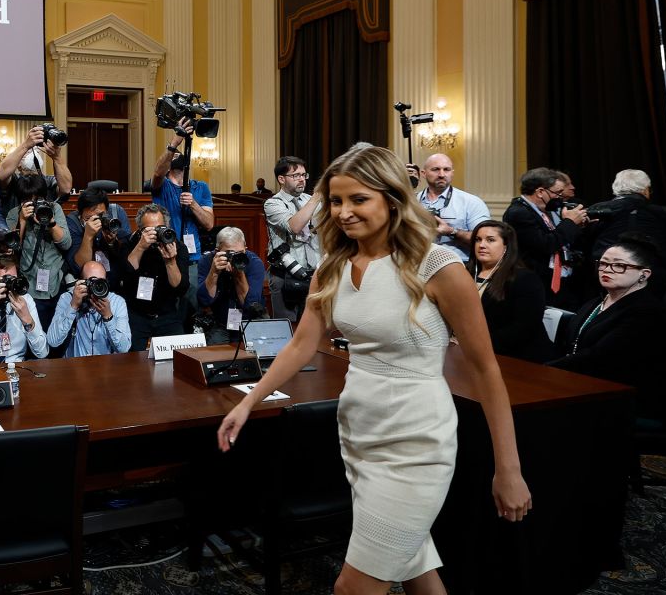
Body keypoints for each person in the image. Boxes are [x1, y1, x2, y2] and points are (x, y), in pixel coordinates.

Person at [217, 145, 530, 595]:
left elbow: (486, 371)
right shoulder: (332, 266)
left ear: (392, 198)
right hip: (359, 433)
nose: (343, 212)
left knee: (354, 587)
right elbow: (303, 344)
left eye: (358, 199)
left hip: (417, 440)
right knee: (418, 571)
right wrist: (249, 400)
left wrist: (509, 468)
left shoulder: (439, 266)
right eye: (336, 201)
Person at [549, 236, 666, 425]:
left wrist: (549, 369)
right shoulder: (594, 303)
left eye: (619, 266)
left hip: (633, 402)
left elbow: (601, 356)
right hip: (588, 389)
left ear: (644, 273)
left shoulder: (649, 312)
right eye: (603, 264)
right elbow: (571, 344)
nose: (607, 270)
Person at [151, 120, 214, 314]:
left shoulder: (200, 187)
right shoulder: (162, 185)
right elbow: (157, 173)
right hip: (165, 251)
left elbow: (209, 224)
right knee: (166, 304)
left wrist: (193, 204)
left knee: (190, 306)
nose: (177, 156)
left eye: (179, 154)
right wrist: (174, 143)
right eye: (173, 156)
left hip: (192, 258)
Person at [503, 167, 589, 309]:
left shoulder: (542, 210)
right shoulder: (519, 213)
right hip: (536, 282)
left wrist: (576, 226)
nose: (561, 197)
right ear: (540, 192)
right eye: (558, 193)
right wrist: (570, 223)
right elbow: (546, 244)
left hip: (556, 279)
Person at [469, 220, 552, 363]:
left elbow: (524, 327)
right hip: (469, 351)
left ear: (506, 246)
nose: (482, 245)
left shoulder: (525, 279)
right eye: (478, 240)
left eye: (490, 240)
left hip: (518, 357)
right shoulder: (464, 273)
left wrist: (477, 344)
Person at [119, 204, 190, 352]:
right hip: (136, 314)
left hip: (167, 313)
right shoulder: (130, 244)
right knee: (131, 358)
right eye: (149, 230)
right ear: (139, 230)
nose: (156, 234)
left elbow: (180, 288)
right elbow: (125, 274)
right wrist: (141, 247)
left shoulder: (178, 247)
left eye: (160, 228)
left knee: (179, 358)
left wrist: (170, 261)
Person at [6, 169, 71, 329]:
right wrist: (22, 221)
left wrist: (50, 222)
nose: (34, 204)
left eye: (38, 199)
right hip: (28, 287)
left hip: (55, 285)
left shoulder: (54, 209)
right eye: (28, 200)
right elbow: (9, 251)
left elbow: (66, 243)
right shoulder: (15, 213)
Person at [263, 156, 322, 322]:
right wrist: (316, 199)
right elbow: (294, 226)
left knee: (311, 329)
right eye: (296, 175)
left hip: (313, 274)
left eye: (304, 175)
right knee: (287, 330)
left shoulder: (310, 200)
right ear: (281, 179)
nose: (302, 179)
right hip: (285, 275)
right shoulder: (273, 203)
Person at [196, 227, 266, 345]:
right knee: (214, 354)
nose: (235, 257)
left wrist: (239, 274)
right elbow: (204, 300)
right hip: (220, 323)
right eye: (230, 253)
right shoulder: (207, 261)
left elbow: (250, 304)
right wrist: (214, 272)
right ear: (217, 251)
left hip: (251, 321)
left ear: (245, 248)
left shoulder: (254, 262)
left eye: (240, 253)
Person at [417, 153, 491, 263]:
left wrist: (452, 231)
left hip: (457, 265)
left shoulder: (471, 202)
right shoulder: (412, 201)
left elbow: (485, 240)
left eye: (446, 169)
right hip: (417, 263)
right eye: (435, 169)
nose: (441, 174)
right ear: (423, 173)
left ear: (452, 173)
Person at [47, 260, 130, 358]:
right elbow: (53, 341)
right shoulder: (68, 298)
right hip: (75, 366)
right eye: (92, 282)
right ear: (81, 282)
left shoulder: (117, 302)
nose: (97, 286)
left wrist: (108, 317)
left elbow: (124, 349)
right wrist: (73, 306)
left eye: (101, 281)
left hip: (105, 366)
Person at [64, 187, 132, 290]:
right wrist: (88, 236)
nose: (97, 221)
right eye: (89, 218)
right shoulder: (73, 222)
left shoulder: (116, 213)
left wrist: (112, 242)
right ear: (80, 214)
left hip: (114, 283)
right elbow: (78, 267)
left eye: (100, 215)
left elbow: (127, 258)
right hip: (86, 286)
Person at [0, 124, 73, 214]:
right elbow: (1, 175)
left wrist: (57, 158)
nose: (32, 153)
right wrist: (25, 146)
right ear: (18, 163)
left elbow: (66, 189)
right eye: (27, 152)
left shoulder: (48, 181)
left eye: (36, 151)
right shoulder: (13, 180)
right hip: (17, 226)